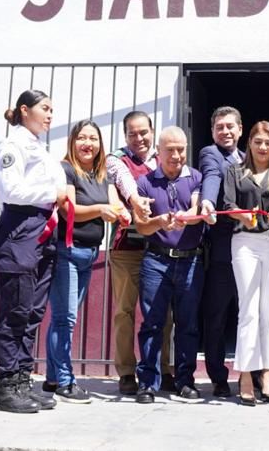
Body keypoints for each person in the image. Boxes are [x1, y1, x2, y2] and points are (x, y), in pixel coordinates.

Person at [0, 89, 66, 414]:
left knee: (33, 312)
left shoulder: (40, 149)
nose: (50, 115)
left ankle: (22, 380)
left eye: (51, 109)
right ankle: (6, 386)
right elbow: (13, 190)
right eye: (44, 109)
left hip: (43, 231)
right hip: (19, 232)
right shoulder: (12, 146)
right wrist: (55, 191)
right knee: (15, 312)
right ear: (25, 110)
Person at [43, 119, 121, 403]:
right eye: (82, 138)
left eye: (94, 139)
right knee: (66, 319)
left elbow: (116, 204)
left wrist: (125, 212)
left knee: (62, 319)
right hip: (67, 251)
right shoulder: (66, 170)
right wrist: (102, 210)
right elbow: (68, 210)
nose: (88, 144)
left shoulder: (102, 175)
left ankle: (53, 379)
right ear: (72, 142)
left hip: (90, 252)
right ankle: (65, 381)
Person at [134, 126, 206, 403]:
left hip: (190, 261)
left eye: (181, 149)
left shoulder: (197, 178)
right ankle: (148, 384)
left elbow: (200, 210)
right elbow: (141, 226)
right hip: (156, 260)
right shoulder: (145, 182)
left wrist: (189, 216)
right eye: (170, 150)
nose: (176, 155)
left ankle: (185, 381)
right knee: (152, 323)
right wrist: (159, 222)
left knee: (187, 324)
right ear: (159, 152)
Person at [105, 111, 175, 395]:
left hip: (159, 249)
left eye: (143, 132)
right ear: (125, 136)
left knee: (164, 313)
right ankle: (125, 371)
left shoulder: (164, 159)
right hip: (126, 248)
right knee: (124, 311)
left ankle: (164, 369)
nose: (139, 139)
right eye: (132, 134)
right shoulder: (116, 160)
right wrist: (136, 202)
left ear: (152, 132)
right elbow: (124, 182)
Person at [223, 121, 269, 405]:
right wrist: (243, 215)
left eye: (268, 142)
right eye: (258, 141)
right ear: (249, 142)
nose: (263, 147)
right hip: (245, 243)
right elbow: (228, 205)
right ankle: (246, 375)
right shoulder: (235, 171)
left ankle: (268, 373)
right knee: (248, 309)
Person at [198, 106, 245, 398]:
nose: (225, 132)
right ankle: (218, 376)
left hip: (253, 246)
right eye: (219, 127)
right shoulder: (210, 154)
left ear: (240, 129)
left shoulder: (250, 155)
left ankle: (249, 377)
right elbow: (212, 177)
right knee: (217, 315)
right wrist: (207, 202)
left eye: (230, 126)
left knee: (250, 315)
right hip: (224, 251)